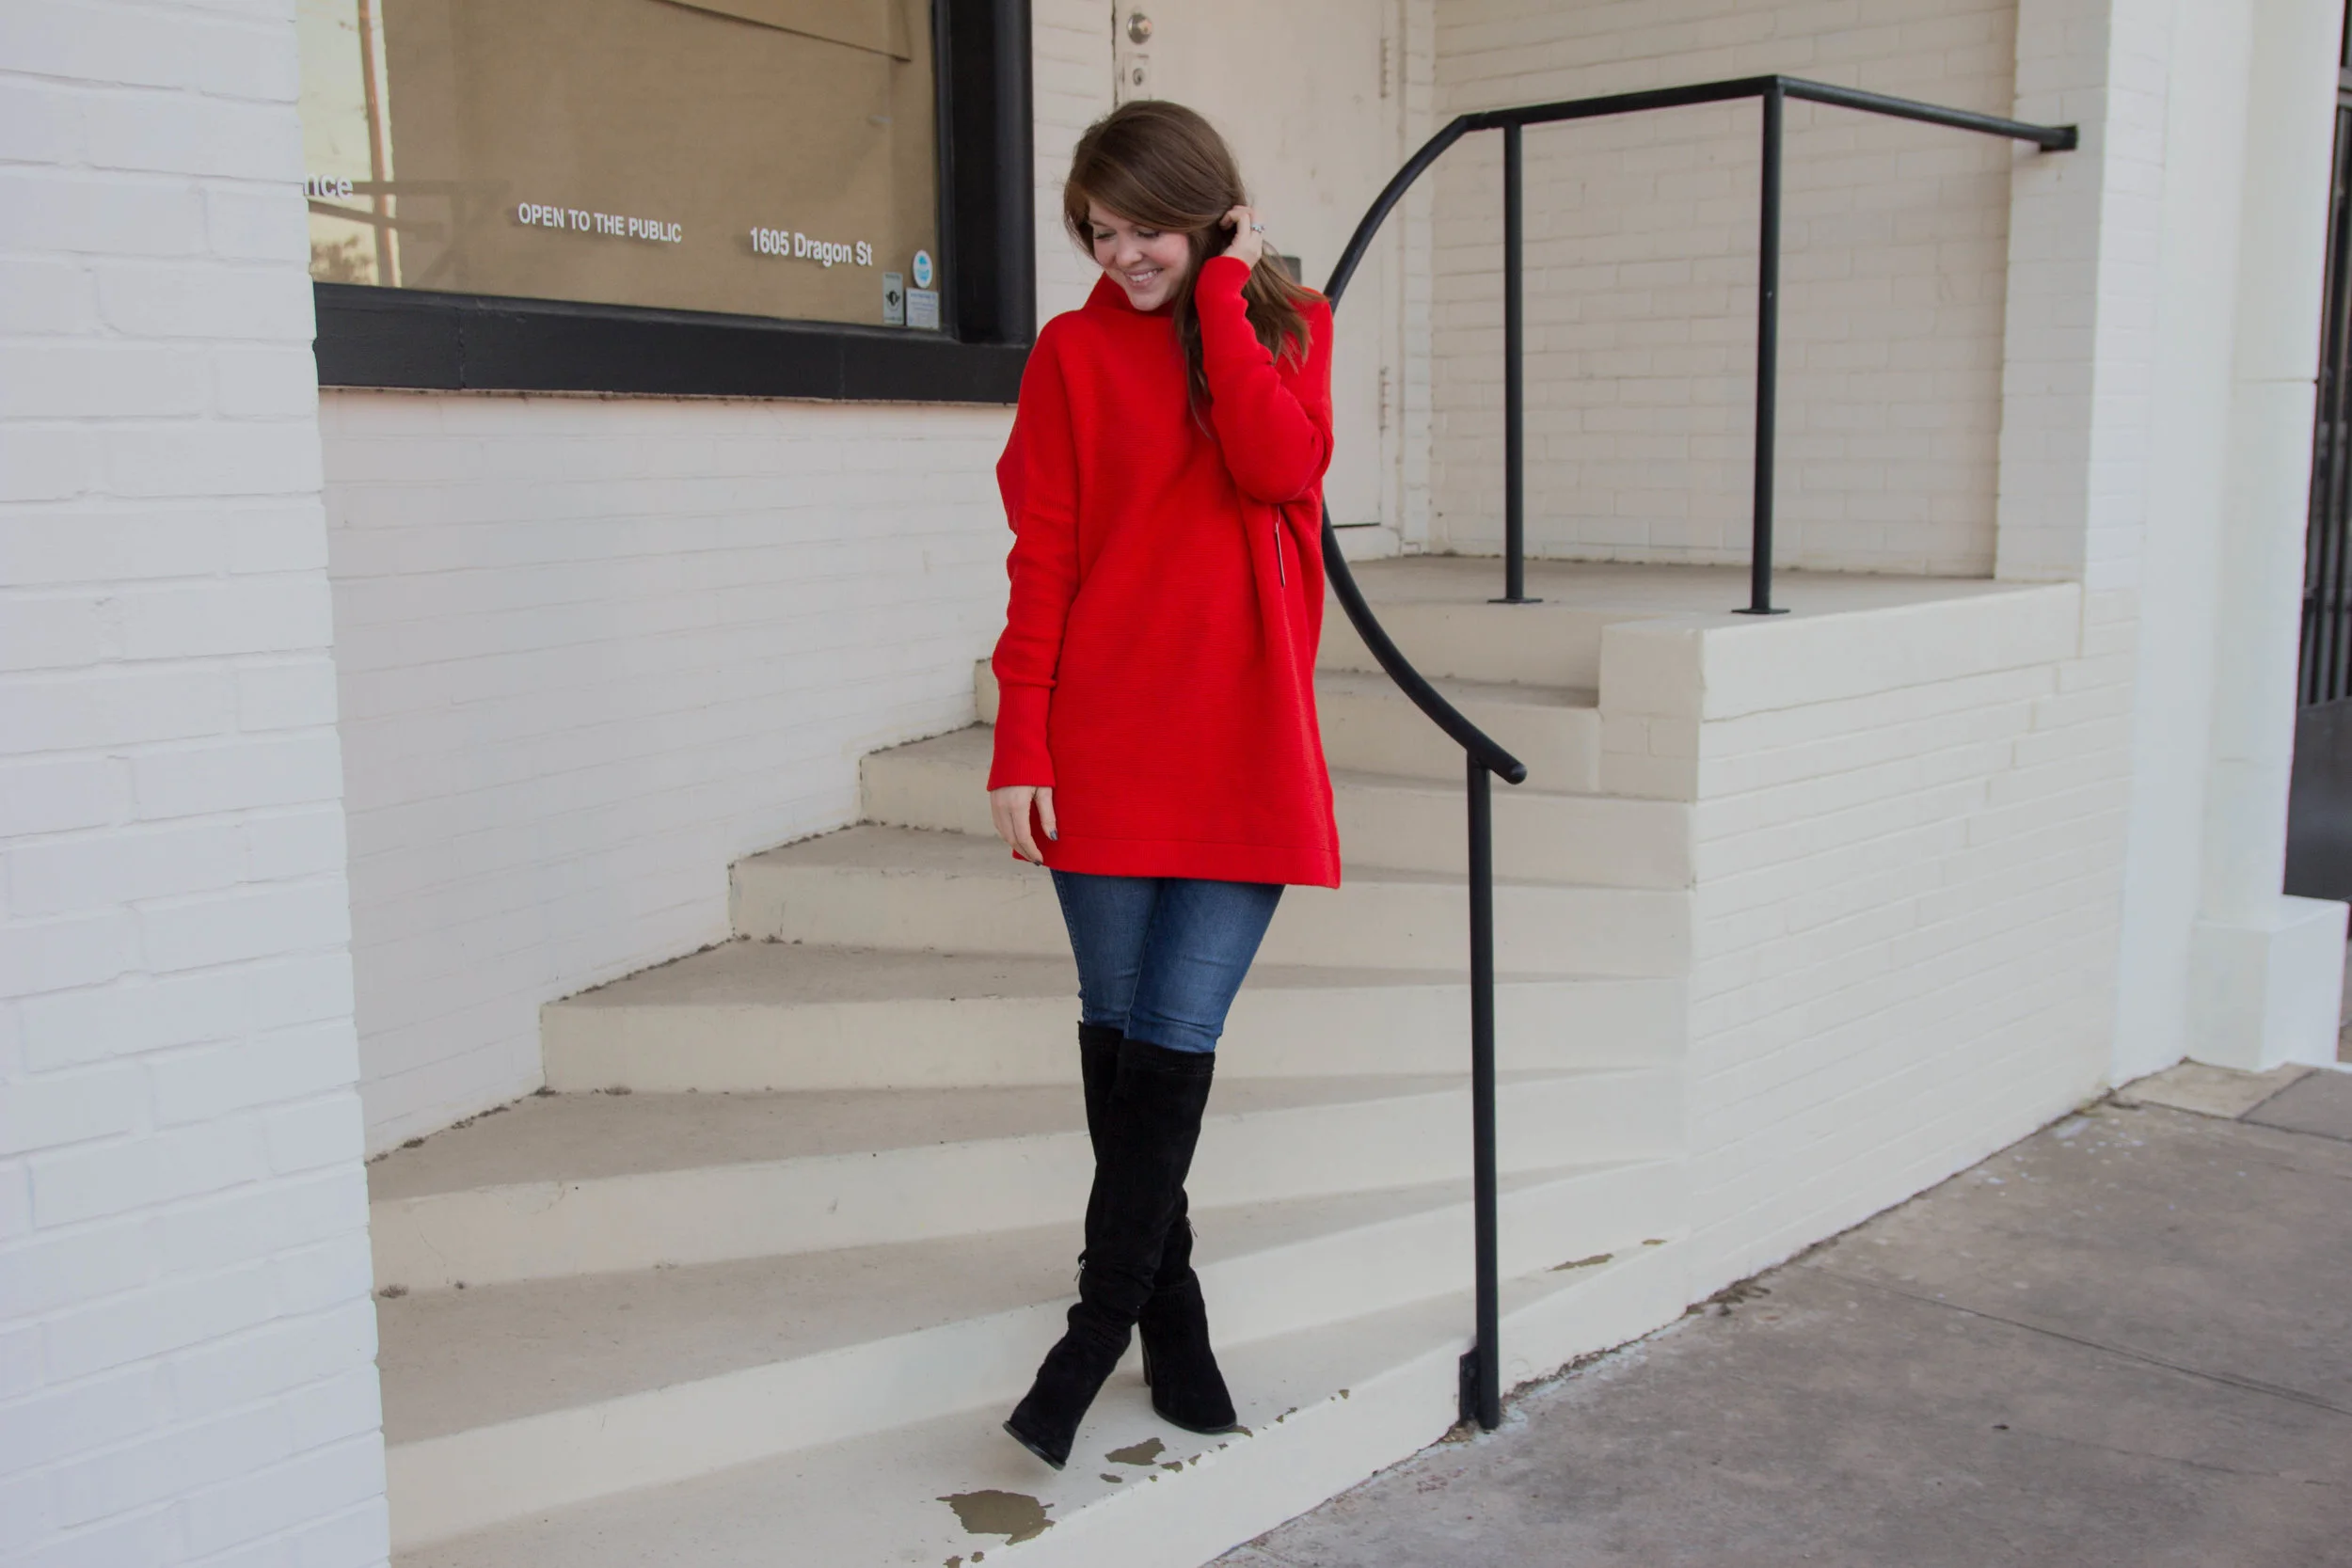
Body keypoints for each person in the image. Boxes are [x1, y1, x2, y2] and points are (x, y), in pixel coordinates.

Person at [985, 99, 1342, 1470]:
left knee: (1174, 1036)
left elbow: (1279, 465)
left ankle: (1090, 1335)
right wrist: (1024, 735)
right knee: (1123, 1033)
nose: (1124, 253)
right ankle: (1168, 1315)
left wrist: (1232, 304)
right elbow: (1045, 553)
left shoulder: (1288, 327)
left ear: (1210, 211)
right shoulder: (1072, 354)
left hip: (1246, 740)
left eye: (1146, 229)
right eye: (1101, 231)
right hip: (1104, 739)